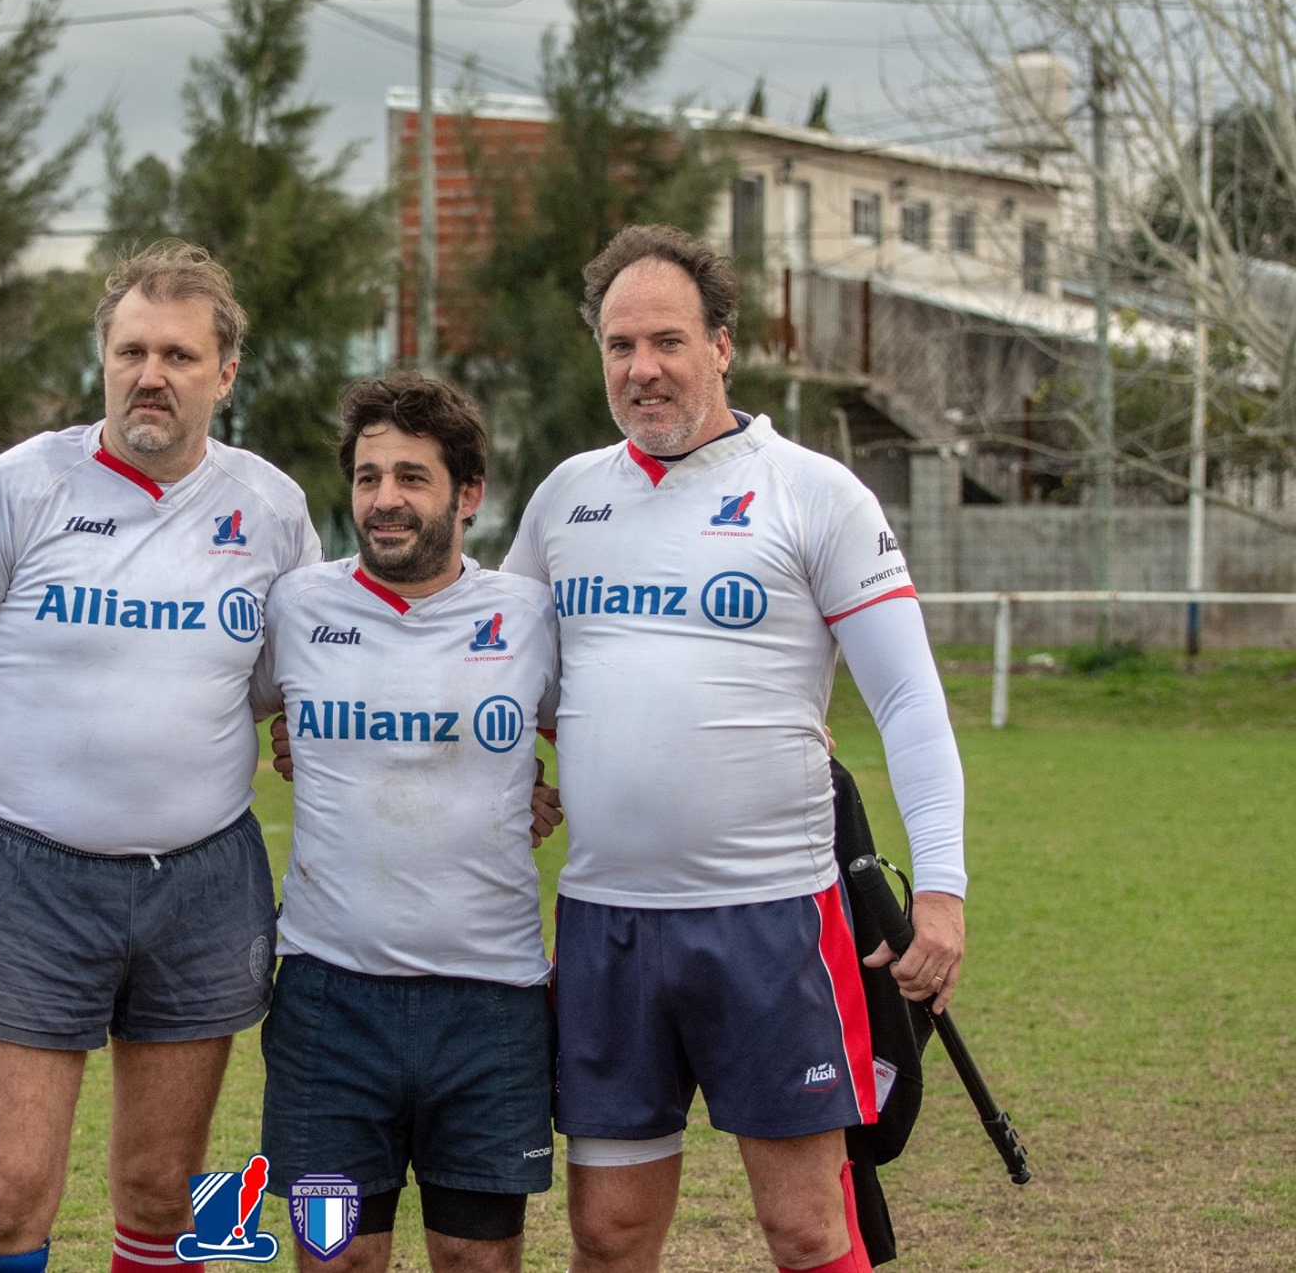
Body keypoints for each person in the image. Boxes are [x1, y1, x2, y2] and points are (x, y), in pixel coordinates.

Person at [500, 224, 968, 1273]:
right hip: (607, 922)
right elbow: (507, 679)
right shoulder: (565, 498)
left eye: (666, 341)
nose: (641, 368)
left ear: (721, 346)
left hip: (771, 919)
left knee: (805, 1228)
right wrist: (512, 762)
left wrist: (940, 890)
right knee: (609, 1235)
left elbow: (907, 702)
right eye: (619, 345)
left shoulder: (814, 492)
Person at [0, 241, 321, 1273]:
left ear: (225, 374)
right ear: (102, 360)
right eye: (130, 351)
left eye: (179, 356)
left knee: (162, 1194)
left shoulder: (274, 511)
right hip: (35, 879)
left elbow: (302, 688)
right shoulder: (15, 488)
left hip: (203, 885)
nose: (151, 374)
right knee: (1, 1200)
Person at [252, 373, 561, 1273]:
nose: (385, 498)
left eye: (412, 477)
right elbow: (198, 698)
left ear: (469, 494)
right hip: (329, 1003)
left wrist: (541, 788)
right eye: (368, 476)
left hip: (491, 1003)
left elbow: (615, 729)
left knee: (474, 1258)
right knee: (336, 1256)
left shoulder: (528, 614)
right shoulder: (297, 606)